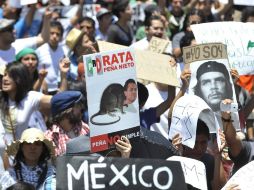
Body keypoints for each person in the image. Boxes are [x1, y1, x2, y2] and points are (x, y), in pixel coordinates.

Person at [0, 62, 52, 143]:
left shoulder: (30, 97)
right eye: (5, 75)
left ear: (20, 78)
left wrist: (63, 74)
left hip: (16, 153)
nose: (5, 78)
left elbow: (58, 101)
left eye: (10, 76)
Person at [45, 91, 89, 156]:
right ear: (68, 110)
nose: (81, 108)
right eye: (78, 105)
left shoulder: (85, 128)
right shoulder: (50, 138)